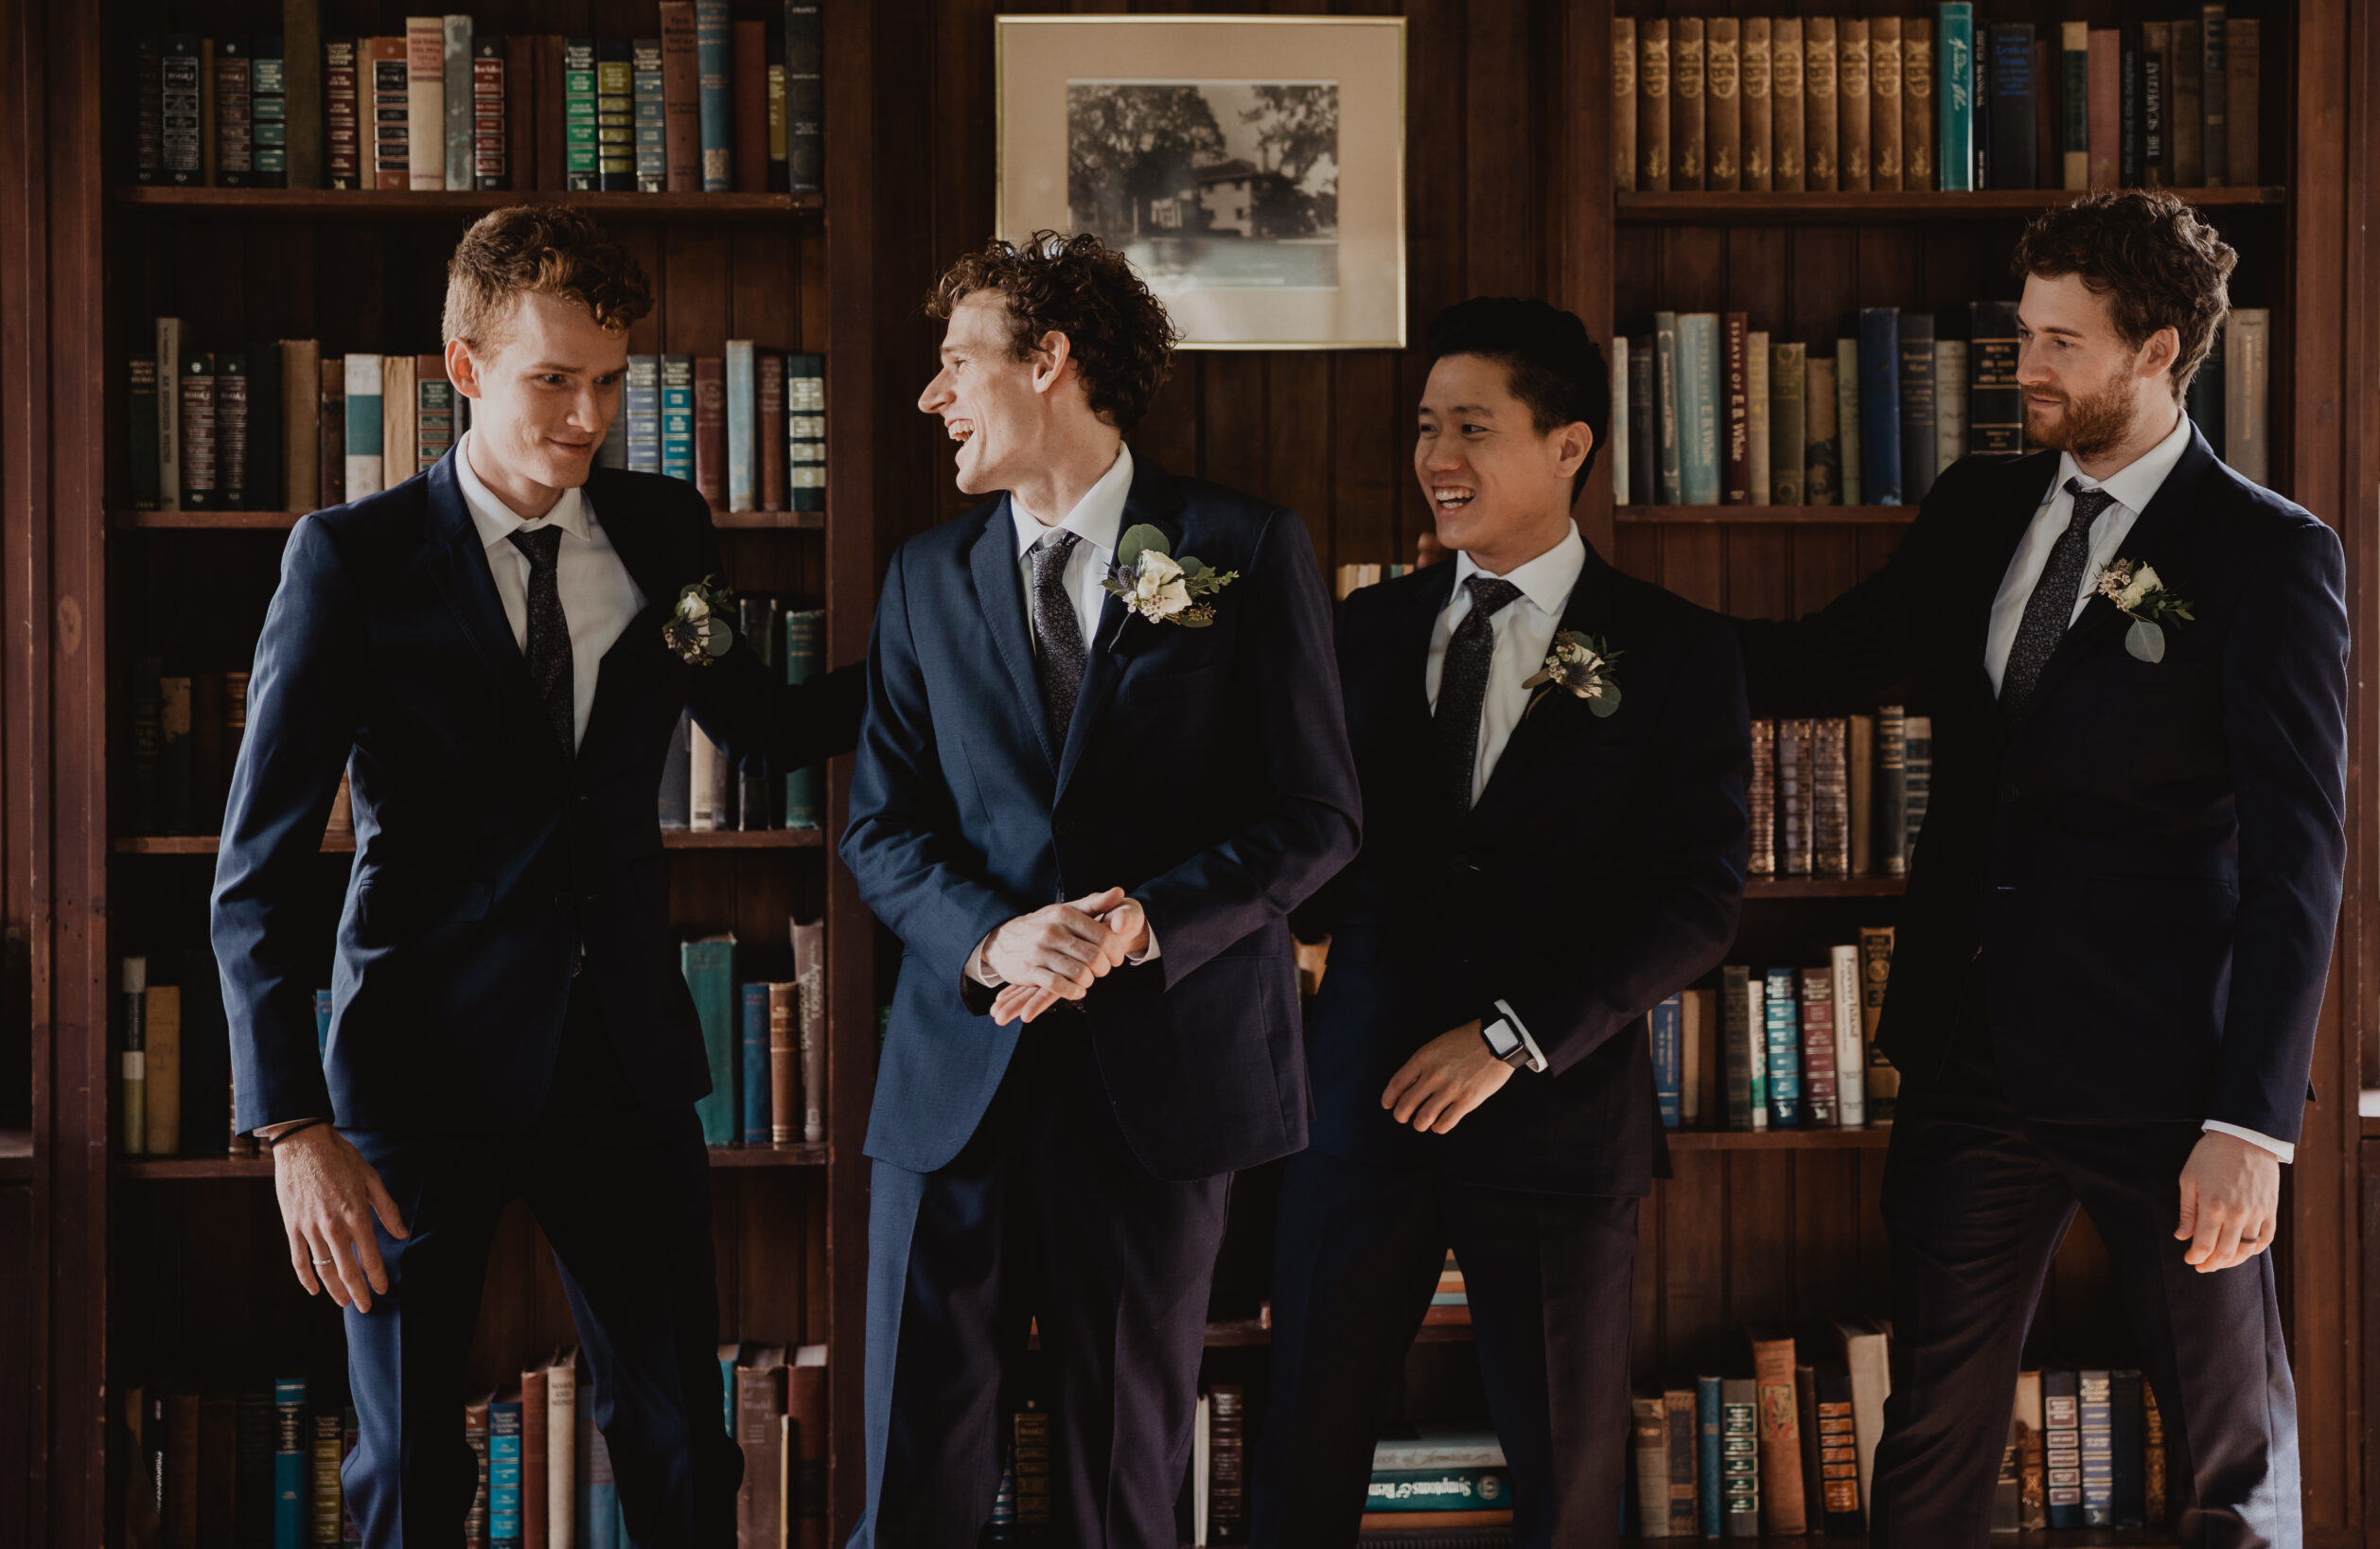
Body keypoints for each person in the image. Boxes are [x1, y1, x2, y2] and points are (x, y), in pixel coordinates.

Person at [212, 204, 866, 1549]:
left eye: (611, 380)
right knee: (407, 1475)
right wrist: (291, 1126)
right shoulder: (351, 562)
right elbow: (257, 871)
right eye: (551, 381)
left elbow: (761, 722)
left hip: (619, 1061)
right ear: (464, 368)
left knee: (682, 1439)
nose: (587, 416)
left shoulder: (664, 529)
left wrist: (953, 627)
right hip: (412, 1073)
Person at [1732, 190, 2346, 1545]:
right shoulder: (1979, 504)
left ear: (2160, 349)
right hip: (1971, 1047)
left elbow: (2304, 862)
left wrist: (2253, 1127)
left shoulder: (2268, 556)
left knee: (2227, 1446)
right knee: (1934, 1422)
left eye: (2065, 342)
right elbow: (1821, 661)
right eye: (2026, 337)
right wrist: (1595, 624)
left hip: (2174, 1075)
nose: (2032, 369)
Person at [838, 231, 1360, 1549]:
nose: (932, 395)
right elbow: (881, 832)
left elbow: (1318, 817)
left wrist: (1147, 920)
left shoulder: (1246, 546)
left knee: (1121, 1476)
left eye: (957, 362)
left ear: (1049, 361)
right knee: (912, 1476)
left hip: (1162, 1079)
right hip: (957, 1074)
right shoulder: (920, 579)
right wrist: (995, 937)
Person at [1254, 298, 1752, 1549]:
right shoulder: (1356, 633)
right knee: (1302, 1457)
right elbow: (1304, 855)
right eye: (1427, 428)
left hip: (1558, 1119)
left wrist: (1511, 1036)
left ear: (1570, 444)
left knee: (1569, 1481)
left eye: (1472, 427)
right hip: (1354, 1112)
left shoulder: (1676, 652)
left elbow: (1698, 901)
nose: (1438, 459)